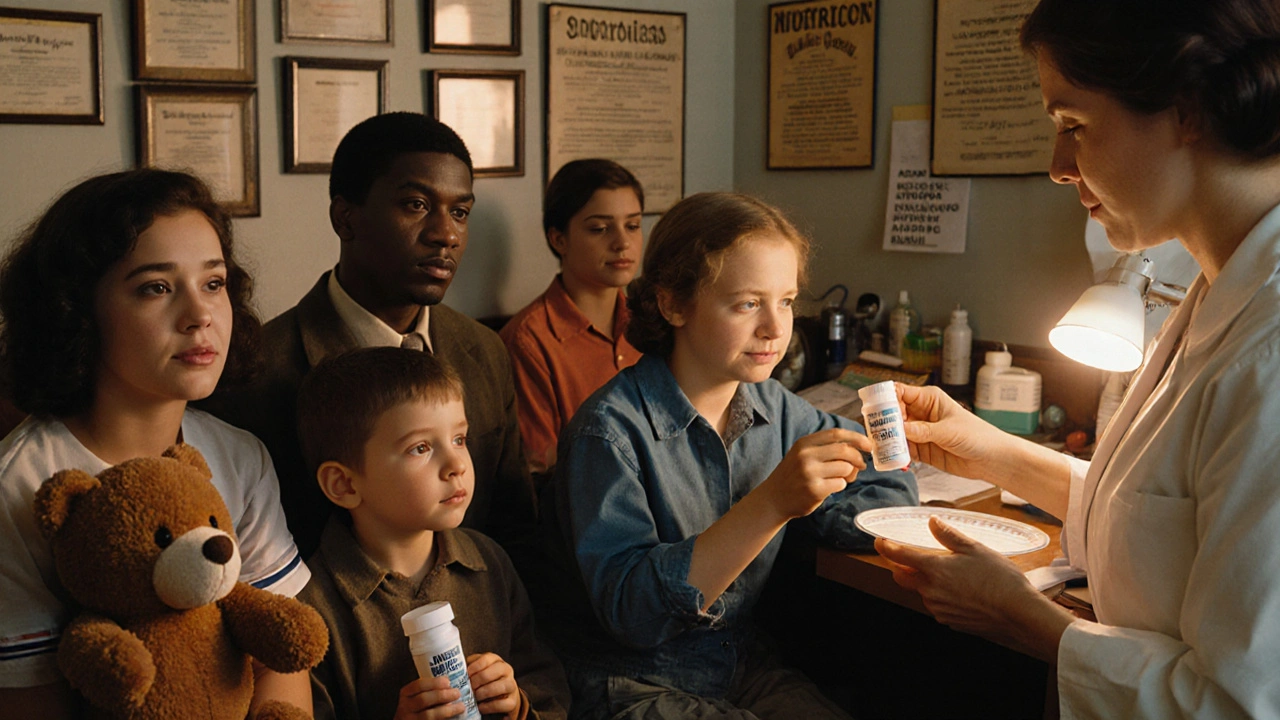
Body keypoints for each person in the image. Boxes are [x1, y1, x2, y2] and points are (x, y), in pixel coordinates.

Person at [874, 1, 1280, 717]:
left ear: (1187, 108)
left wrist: (1028, 623)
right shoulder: (1217, 289)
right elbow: (1161, 521)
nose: (1059, 167)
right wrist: (997, 454)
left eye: (1074, 126)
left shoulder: (1268, 353)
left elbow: (1239, 703)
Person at [546, 192, 919, 719]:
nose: (774, 327)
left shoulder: (775, 405)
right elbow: (634, 616)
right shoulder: (607, 435)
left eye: (786, 300)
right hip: (634, 684)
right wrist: (772, 504)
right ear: (673, 303)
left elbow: (889, 481)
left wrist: (813, 507)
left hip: (737, 664)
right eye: (747, 303)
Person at [0, 169, 311, 718]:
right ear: (77, 311)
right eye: (157, 288)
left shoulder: (240, 458)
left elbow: (281, 666)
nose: (200, 316)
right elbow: (32, 700)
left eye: (213, 284)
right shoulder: (20, 484)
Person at [204, 112, 535, 559]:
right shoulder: (257, 371)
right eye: (416, 205)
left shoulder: (482, 350)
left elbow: (516, 527)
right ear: (345, 218)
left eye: (460, 212)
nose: (446, 234)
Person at [295, 347, 570, 720]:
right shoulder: (312, 607)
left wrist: (518, 702)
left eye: (459, 439)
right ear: (343, 484)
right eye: (421, 447)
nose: (457, 464)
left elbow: (549, 689)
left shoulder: (488, 563)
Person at [499, 159, 645, 476]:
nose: (622, 242)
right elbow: (541, 471)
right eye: (599, 229)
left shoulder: (650, 320)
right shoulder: (529, 341)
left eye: (632, 225)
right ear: (559, 239)